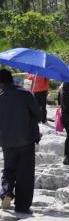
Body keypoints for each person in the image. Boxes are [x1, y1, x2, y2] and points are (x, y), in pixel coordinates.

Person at [0, 69, 41, 213]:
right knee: (25, 173)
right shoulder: (25, 93)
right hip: (27, 139)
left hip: (6, 140)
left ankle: (6, 193)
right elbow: (38, 114)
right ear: (12, 79)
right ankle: (22, 206)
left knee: (8, 169)